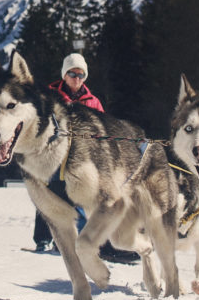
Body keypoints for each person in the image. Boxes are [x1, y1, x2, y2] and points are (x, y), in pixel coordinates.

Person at [33, 54, 138, 264]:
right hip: (54, 153)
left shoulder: (92, 101)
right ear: (65, 74)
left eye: (81, 74)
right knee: (49, 193)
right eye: (72, 73)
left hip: (82, 157)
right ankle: (44, 239)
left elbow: (101, 127)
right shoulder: (51, 96)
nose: (77, 78)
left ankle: (92, 241)